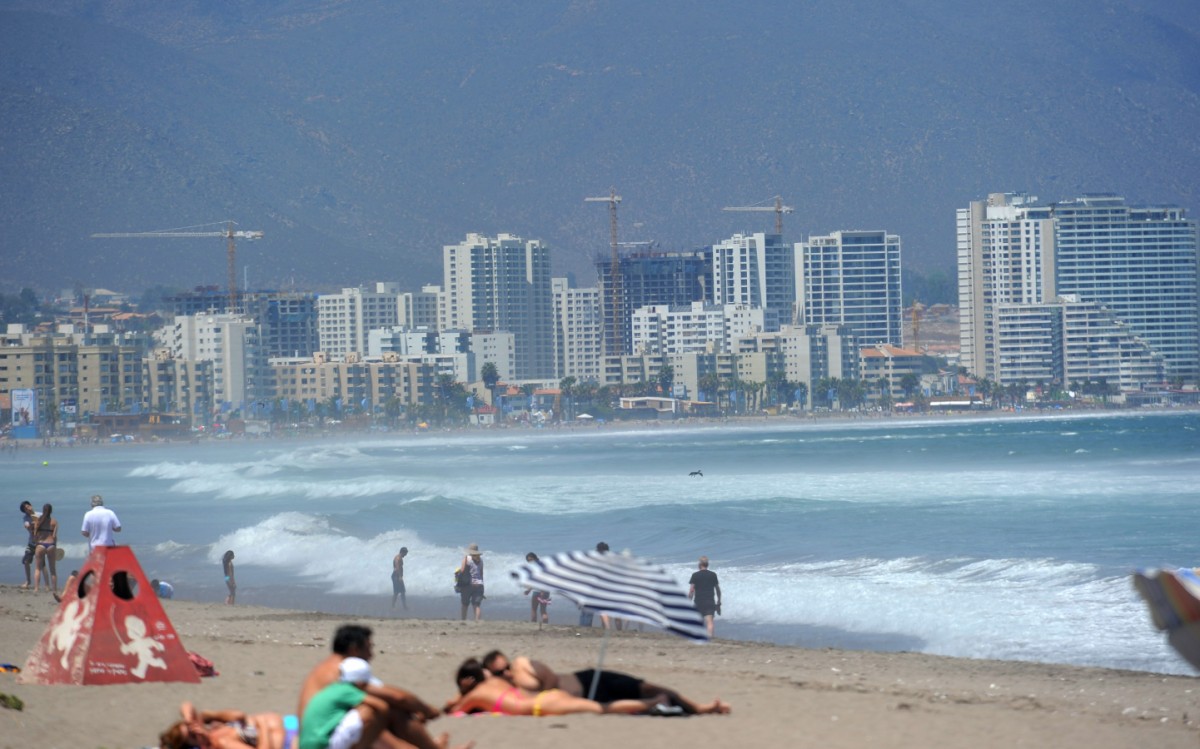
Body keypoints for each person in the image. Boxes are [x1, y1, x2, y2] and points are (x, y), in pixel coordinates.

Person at [297, 624, 460, 749]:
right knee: (387, 710)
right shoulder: (339, 672)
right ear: (354, 649)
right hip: (325, 737)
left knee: (384, 709)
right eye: (369, 648)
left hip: (324, 733)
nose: (371, 655)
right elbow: (396, 699)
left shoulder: (330, 666)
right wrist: (425, 710)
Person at [480, 651, 730, 715]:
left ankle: (698, 707)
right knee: (637, 703)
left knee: (647, 687)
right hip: (588, 698)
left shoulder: (523, 665)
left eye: (506, 667)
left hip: (587, 679)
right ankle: (676, 707)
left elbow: (551, 682)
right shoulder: (506, 691)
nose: (506, 673)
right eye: (499, 672)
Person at [445, 658, 651, 716]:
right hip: (545, 700)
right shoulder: (497, 683)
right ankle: (650, 703)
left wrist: (463, 691)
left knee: (600, 708)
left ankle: (653, 703)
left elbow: (453, 709)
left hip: (542, 705)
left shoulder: (479, 693)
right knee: (599, 707)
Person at [299, 657, 396, 749]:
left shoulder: (333, 688)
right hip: (322, 744)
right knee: (368, 711)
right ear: (359, 683)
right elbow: (382, 706)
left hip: (307, 743)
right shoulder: (347, 690)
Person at [159, 701, 294, 749]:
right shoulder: (222, 743)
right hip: (291, 740)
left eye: (190, 726)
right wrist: (263, 726)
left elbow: (186, 704)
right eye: (193, 735)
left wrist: (189, 719)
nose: (196, 729)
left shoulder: (213, 729)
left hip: (289, 723)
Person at [688, 555, 722, 638]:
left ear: (700, 564)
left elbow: (691, 591)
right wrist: (718, 602)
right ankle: (710, 638)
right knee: (710, 622)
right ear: (707, 564)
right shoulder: (713, 575)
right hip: (710, 601)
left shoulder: (695, 575)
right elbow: (718, 590)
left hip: (698, 601)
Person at [32, 503, 58, 593]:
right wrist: (56, 547)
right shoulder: (54, 521)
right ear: (51, 511)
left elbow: (35, 536)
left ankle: (36, 588)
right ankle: (54, 590)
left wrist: (36, 544)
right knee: (52, 569)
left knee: (38, 568)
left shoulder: (38, 521)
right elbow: (54, 537)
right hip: (51, 545)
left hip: (40, 544)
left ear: (43, 510)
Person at [458, 543, 484, 622]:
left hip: (468, 584)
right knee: (476, 605)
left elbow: (462, 570)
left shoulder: (467, 558)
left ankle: (463, 620)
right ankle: (477, 621)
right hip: (479, 584)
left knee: (465, 604)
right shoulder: (481, 560)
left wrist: (457, 575)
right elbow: (481, 574)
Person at [523, 552, 550, 624]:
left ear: (535, 558)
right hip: (545, 591)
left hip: (539, 591)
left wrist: (541, 590)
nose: (530, 562)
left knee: (534, 609)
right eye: (529, 561)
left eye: (531, 560)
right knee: (543, 610)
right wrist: (529, 590)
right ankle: (545, 625)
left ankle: (534, 624)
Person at [19, 501, 37, 589]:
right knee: (26, 561)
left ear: (31, 505)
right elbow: (27, 526)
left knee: (42, 564)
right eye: (25, 509)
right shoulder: (26, 518)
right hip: (31, 543)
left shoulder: (40, 514)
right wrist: (32, 524)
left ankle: (47, 584)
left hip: (41, 542)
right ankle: (28, 581)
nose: (28, 508)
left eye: (28, 506)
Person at [391, 547, 407, 611]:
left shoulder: (400, 558)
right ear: (402, 552)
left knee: (403, 592)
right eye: (405, 554)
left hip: (398, 576)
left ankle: (404, 606)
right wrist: (400, 576)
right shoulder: (397, 558)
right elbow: (397, 567)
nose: (405, 555)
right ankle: (392, 607)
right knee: (396, 592)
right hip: (396, 576)